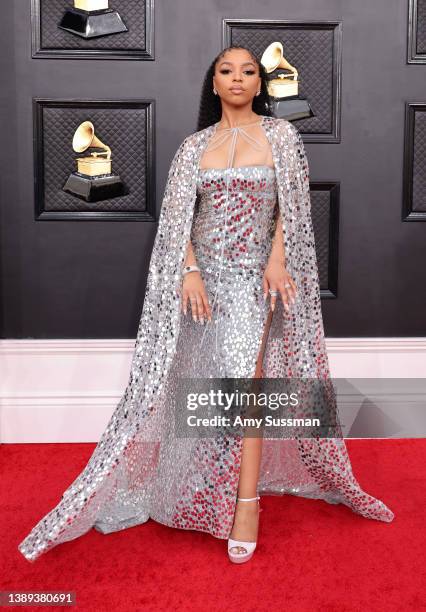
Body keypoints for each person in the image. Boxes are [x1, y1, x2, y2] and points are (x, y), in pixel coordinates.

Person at [18, 45, 394, 565]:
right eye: (226, 71)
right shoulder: (194, 147)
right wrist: (189, 273)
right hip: (204, 281)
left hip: (258, 278)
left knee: (250, 385)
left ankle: (246, 505)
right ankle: (204, 483)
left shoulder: (283, 136)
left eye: (248, 72)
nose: (237, 79)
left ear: (259, 85)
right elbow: (178, 222)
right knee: (207, 382)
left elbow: (292, 206)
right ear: (213, 84)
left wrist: (278, 260)